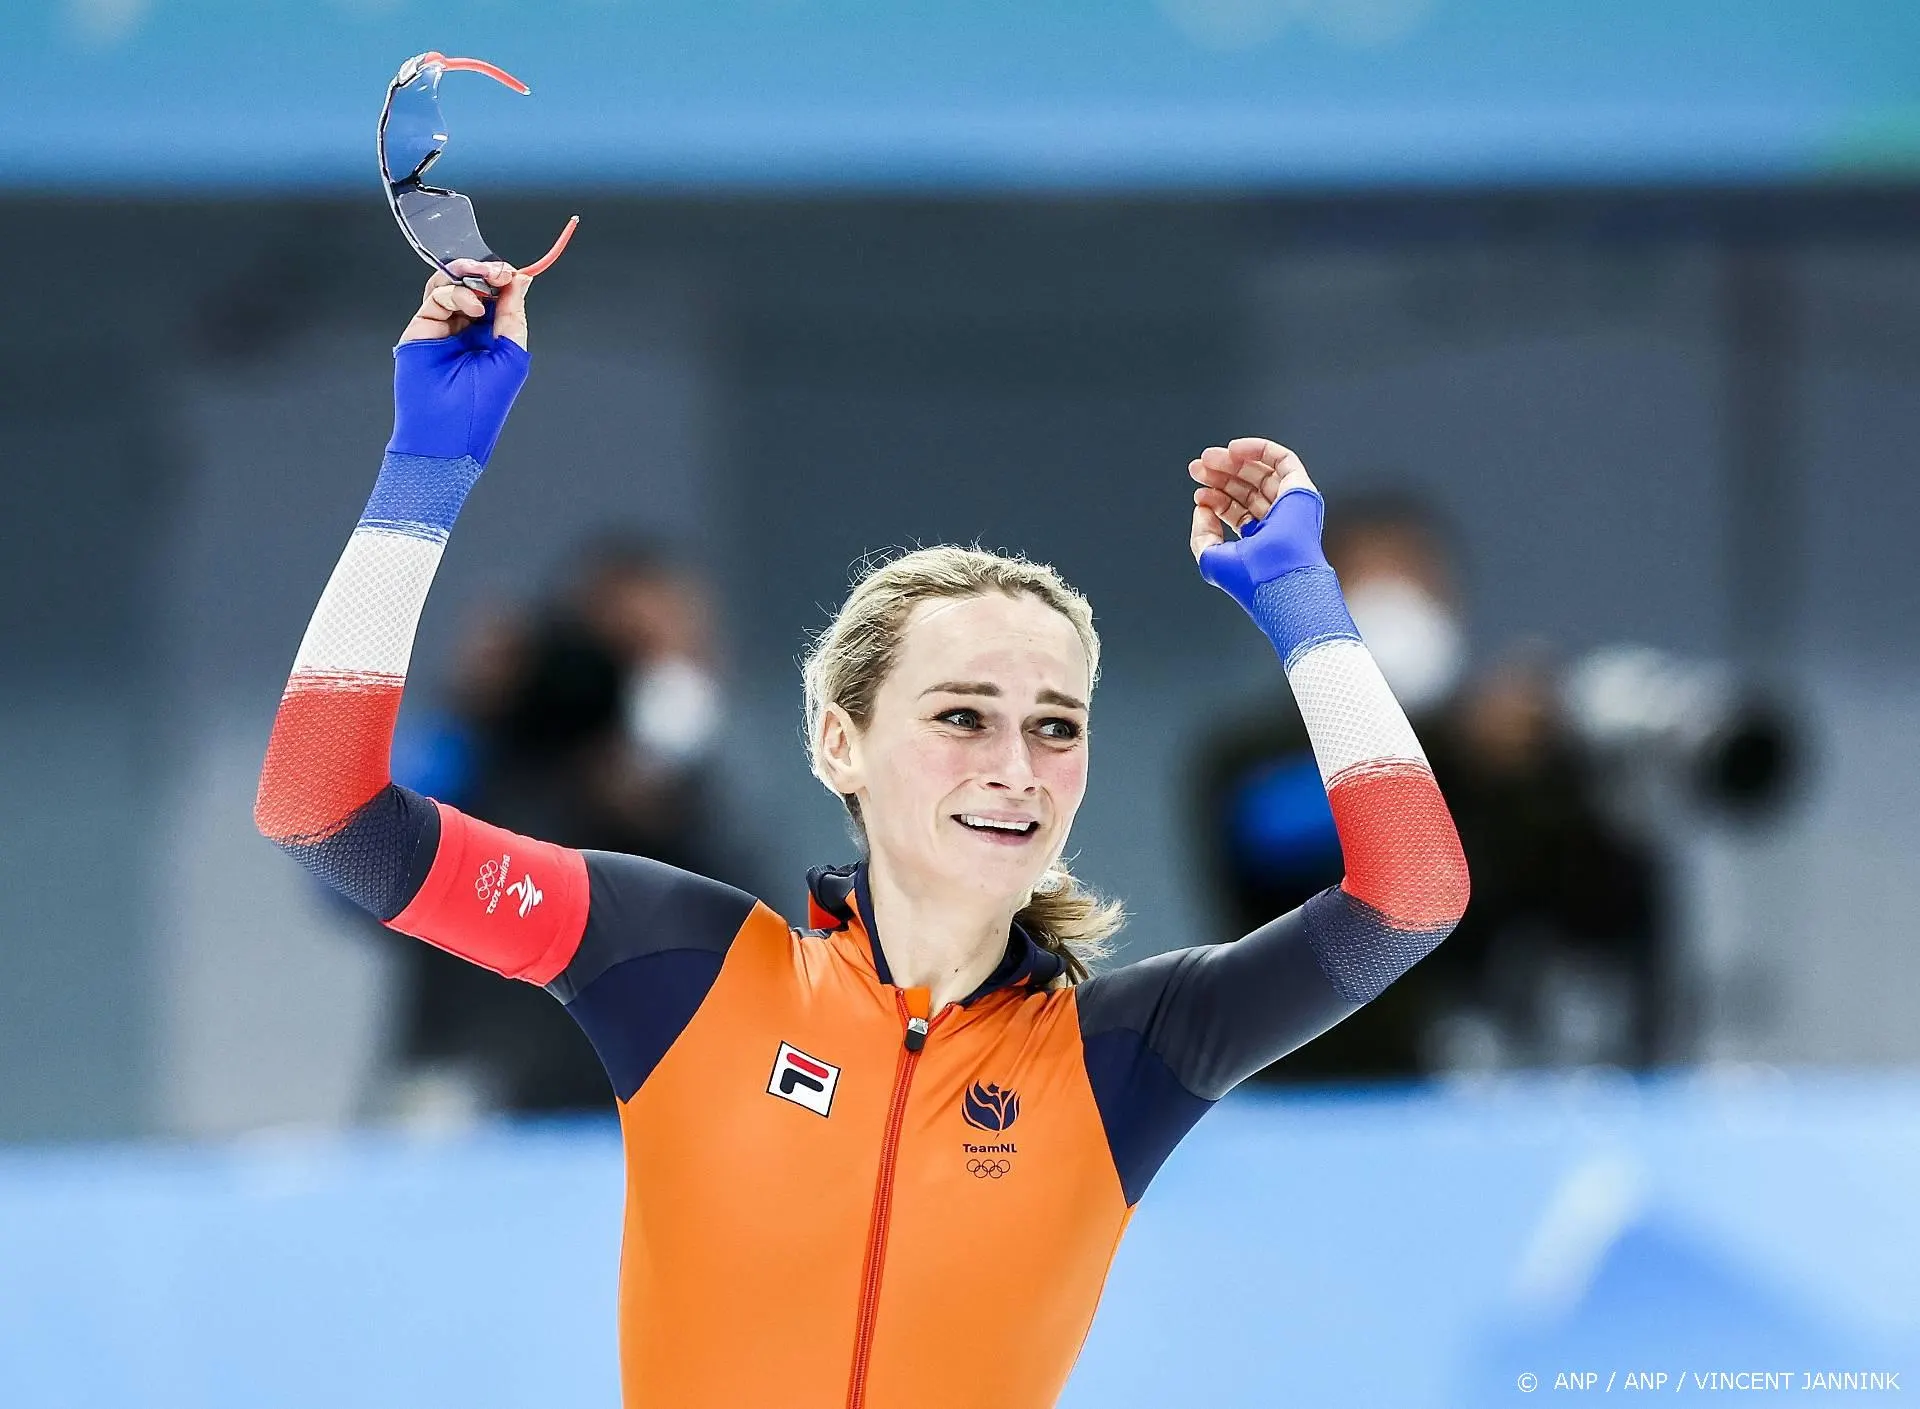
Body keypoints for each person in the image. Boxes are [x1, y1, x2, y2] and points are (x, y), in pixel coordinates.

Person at [254, 260, 1469, 1409]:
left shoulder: (1128, 1052)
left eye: (1056, 725)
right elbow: (323, 810)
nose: (1013, 767)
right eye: (960, 716)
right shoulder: (677, 962)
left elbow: (1411, 893)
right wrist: (426, 465)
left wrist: (1302, 601)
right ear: (840, 743)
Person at [1193, 494, 1668, 1079]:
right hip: (1313, 1092)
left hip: (1472, 1091)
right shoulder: (1254, 754)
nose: (1401, 607)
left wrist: (1574, 776)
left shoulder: (1502, 763)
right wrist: (1454, 743)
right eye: (1371, 580)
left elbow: (1596, 911)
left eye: (1418, 581)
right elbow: (1274, 837)